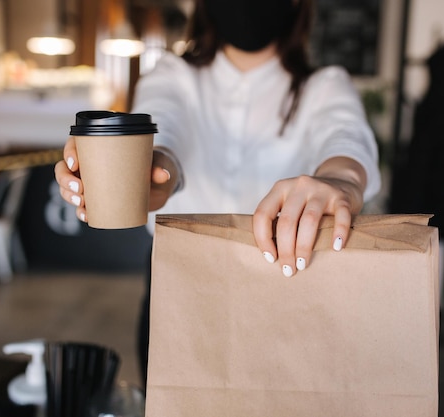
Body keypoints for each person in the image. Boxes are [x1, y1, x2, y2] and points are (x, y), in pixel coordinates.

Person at [55, 0, 381, 387]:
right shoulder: (172, 75)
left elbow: (345, 140)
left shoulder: (323, 86)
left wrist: (340, 182)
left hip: (286, 294)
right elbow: (165, 134)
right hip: (178, 291)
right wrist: (151, 173)